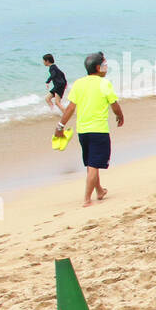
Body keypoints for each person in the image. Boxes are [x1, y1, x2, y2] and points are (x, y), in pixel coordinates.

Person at [56, 52, 124, 207]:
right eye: (105, 65)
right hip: (99, 131)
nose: (107, 67)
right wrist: (120, 115)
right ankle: (87, 199)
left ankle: (99, 190)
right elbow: (114, 103)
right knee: (94, 164)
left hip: (83, 132)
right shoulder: (104, 84)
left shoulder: (79, 84)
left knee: (91, 162)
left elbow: (70, 108)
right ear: (98, 68)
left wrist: (60, 126)